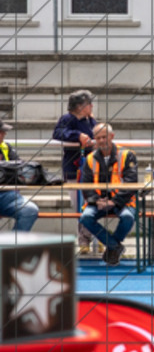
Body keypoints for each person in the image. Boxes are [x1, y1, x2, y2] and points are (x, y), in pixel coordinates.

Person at [78, 123, 138, 267]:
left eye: (104, 137)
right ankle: (115, 246)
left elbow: (131, 183)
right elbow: (86, 185)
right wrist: (96, 201)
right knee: (85, 218)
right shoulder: (90, 158)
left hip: (123, 202)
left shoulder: (127, 155)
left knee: (128, 217)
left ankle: (112, 247)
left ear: (112, 136)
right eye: (98, 138)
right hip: (97, 203)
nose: (101, 141)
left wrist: (114, 202)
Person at [52, 89, 96, 254]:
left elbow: (98, 133)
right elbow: (58, 133)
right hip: (74, 169)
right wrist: (78, 135)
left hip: (92, 169)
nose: (91, 106)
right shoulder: (67, 119)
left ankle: (95, 237)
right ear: (79, 106)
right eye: (88, 103)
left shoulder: (90, 121)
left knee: (93, 203)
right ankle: (84, 239)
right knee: (79, 205)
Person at [0, 122, 40, 233]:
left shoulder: (6, 147)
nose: (4, 134)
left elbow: (20, 166)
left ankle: (11, 248)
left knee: (30, 210)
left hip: (8, 195)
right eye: (1, 132)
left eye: (3, 132)